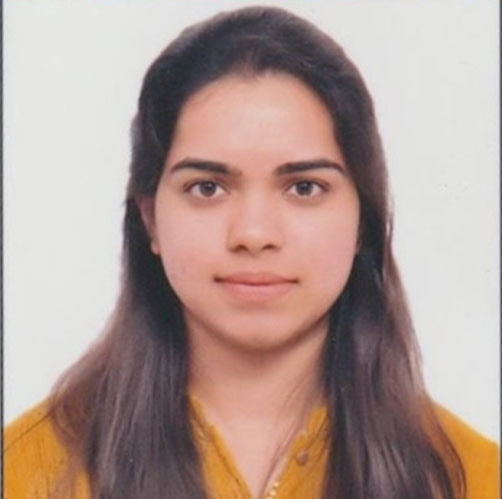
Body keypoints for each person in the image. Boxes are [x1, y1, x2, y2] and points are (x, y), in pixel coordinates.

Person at [4, 6, 498, 499]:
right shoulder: (25, 471)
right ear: (150, 218)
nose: (254, 234)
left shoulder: (474, 478)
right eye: (207, 188)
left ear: (363, 220)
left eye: (304, 187)